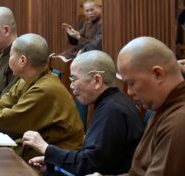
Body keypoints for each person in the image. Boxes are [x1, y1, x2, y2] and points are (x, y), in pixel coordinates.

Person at [23, 50, 144, 176]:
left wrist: (47, 149)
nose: (71, 86)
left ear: (97, 81)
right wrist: (54, 163)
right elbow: (91, 158)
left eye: (74, 79)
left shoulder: (112, 112)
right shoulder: (112, 102)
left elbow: (91, 166)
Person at [116, 37, 185, 176]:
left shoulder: (179, 121)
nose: (129, 92)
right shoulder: (163, 108)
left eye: (131, 83)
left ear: (158, 74)